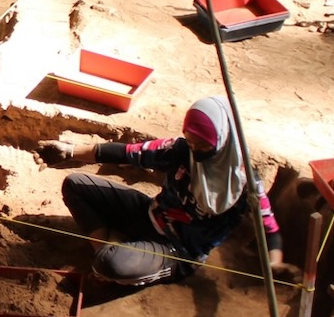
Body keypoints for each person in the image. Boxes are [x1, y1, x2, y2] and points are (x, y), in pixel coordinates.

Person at [39, 97, 284, 288]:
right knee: (75, 184)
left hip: (177, 251)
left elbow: (270, 229)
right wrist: (69, 151)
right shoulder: (179, 150)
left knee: (110, 264)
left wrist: (275, 262)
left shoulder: (246, 184)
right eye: (191, 142)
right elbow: (128, 152)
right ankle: (109, 247)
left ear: (222, 140)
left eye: (203, 145)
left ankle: (115, 256)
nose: (195, 150)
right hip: (149, 214)